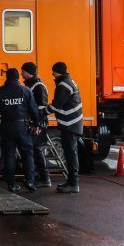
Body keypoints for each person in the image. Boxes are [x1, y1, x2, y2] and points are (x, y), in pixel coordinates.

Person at [0, 68, 39, 193]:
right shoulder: (26, 90)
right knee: (27, 153)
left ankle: (11, 184)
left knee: (9, 155)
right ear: (17, 77)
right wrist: (36, 124)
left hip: (6, 126)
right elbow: (33, 109)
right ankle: (30, 181)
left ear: (7, 77)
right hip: (22, 126)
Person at [48, 62, 83, 194]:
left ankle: (73, 184)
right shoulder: (69, 82)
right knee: (71, 154)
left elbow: (56, 105)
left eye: (53, 71)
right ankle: (71, 182)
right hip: (73, 124)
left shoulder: (63, 85)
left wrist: (43, 112)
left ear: (58, 71)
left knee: (70, 154)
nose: (52, 74)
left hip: (70, 124)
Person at [21, 62, 51, 188]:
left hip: (37, 124)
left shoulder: (38, 86)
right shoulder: (32, 85)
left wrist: (36, 124)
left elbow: (41, 108)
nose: (21, 73)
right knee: (34, 150)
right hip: (34, 123)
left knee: (37, 150)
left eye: (23, 71)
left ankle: (44, 178)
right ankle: (37, 177)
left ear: (29, 72)